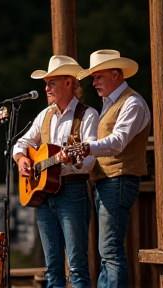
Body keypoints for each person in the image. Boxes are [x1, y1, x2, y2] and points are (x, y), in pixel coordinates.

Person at [13, 55, 99, 288]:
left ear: (69, 83)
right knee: (52, 266)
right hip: (44, 195)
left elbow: (89, 159)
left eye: (51, 82)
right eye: (46, 82)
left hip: (73, 190)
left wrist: (67, 162)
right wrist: (22, 159)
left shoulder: (87, 114)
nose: (46, 87)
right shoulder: (46, 114)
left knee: (77, 265)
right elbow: (20, 144)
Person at [75, 49, 151, 288]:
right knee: (108, 250)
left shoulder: (133, 102)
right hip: (108, 181)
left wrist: (85, 148)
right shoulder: (115, 103)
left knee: (109, 250)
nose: (94, 82)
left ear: (116, 75)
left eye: (98, 76)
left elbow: (117, 143)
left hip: (119, 180)